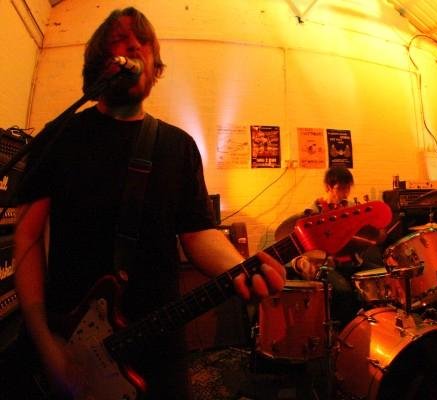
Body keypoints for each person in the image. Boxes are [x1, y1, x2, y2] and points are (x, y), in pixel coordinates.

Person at [12, 7, 285, 400]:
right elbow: (26, 240)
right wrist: (44, 341)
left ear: (155, 68)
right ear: (100, 62)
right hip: (66, 339)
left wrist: (241, 269)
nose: (134, 46)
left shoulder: (178, 146)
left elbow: (198, 233)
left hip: (159, 349)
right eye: (120, 40)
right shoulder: (60, 136)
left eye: (144, 42)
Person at [276, 166, 384, 327]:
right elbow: (307, 250)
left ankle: (377, 325)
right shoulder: (312, 214)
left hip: (351, 262)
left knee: (382, 276)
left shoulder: (350, 210)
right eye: (341, 189)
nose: (345, 194)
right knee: (343, 291)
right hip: (328, 265)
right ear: (329, 187)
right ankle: (345, 330)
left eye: (348, 188)